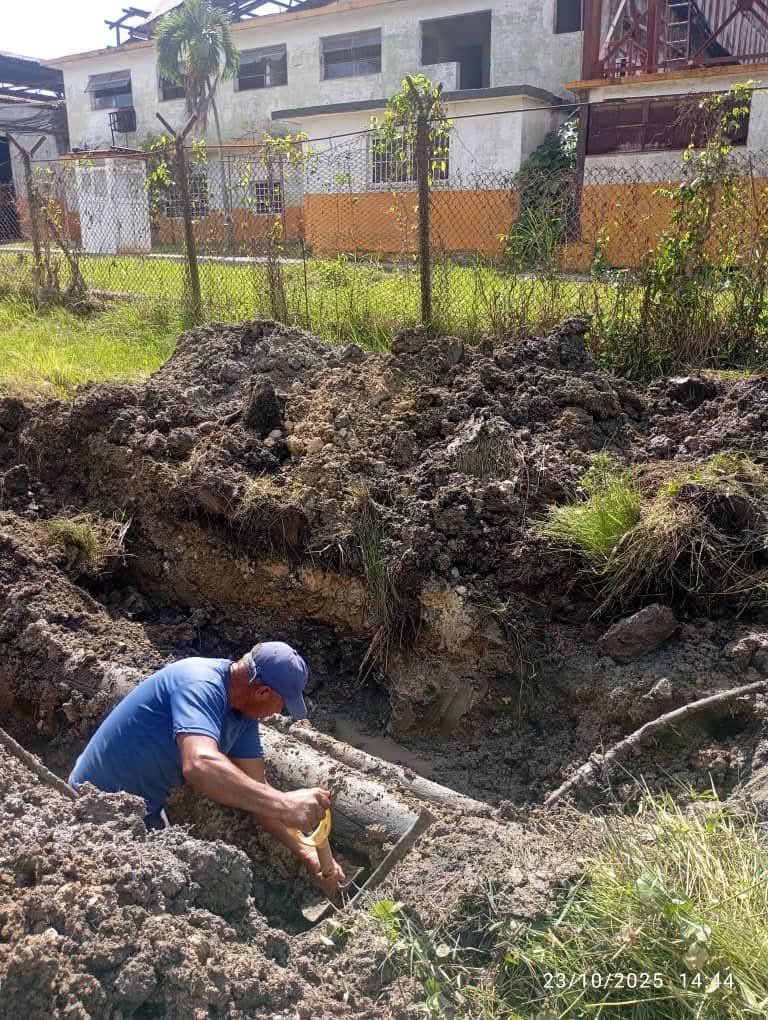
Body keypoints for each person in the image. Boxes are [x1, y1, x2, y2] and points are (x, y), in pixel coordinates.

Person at [69, 641, 345, 895]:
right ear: (263, 692)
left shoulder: (243, 717)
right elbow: (199, 764)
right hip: (90, 808)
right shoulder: (199, 683)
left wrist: (308, 854)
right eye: (281, 705)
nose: (277, 713)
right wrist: (284, 803)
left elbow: (259, 795)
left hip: (141, 815)